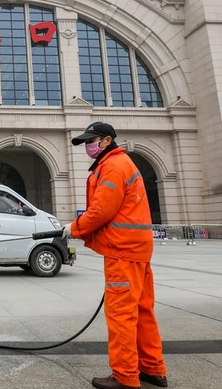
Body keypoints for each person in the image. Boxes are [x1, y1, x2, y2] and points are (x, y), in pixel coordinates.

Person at [63, 122, 168, 389]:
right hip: (138, 249)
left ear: (107, 140)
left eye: (92, 140)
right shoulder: (121, 163)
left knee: (121, 314)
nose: (88, 146)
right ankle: (152, 368)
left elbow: (101, 211)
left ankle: (125, 377)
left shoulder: (112, 166)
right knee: (143, 311)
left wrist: (73, 229)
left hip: (123, 251)